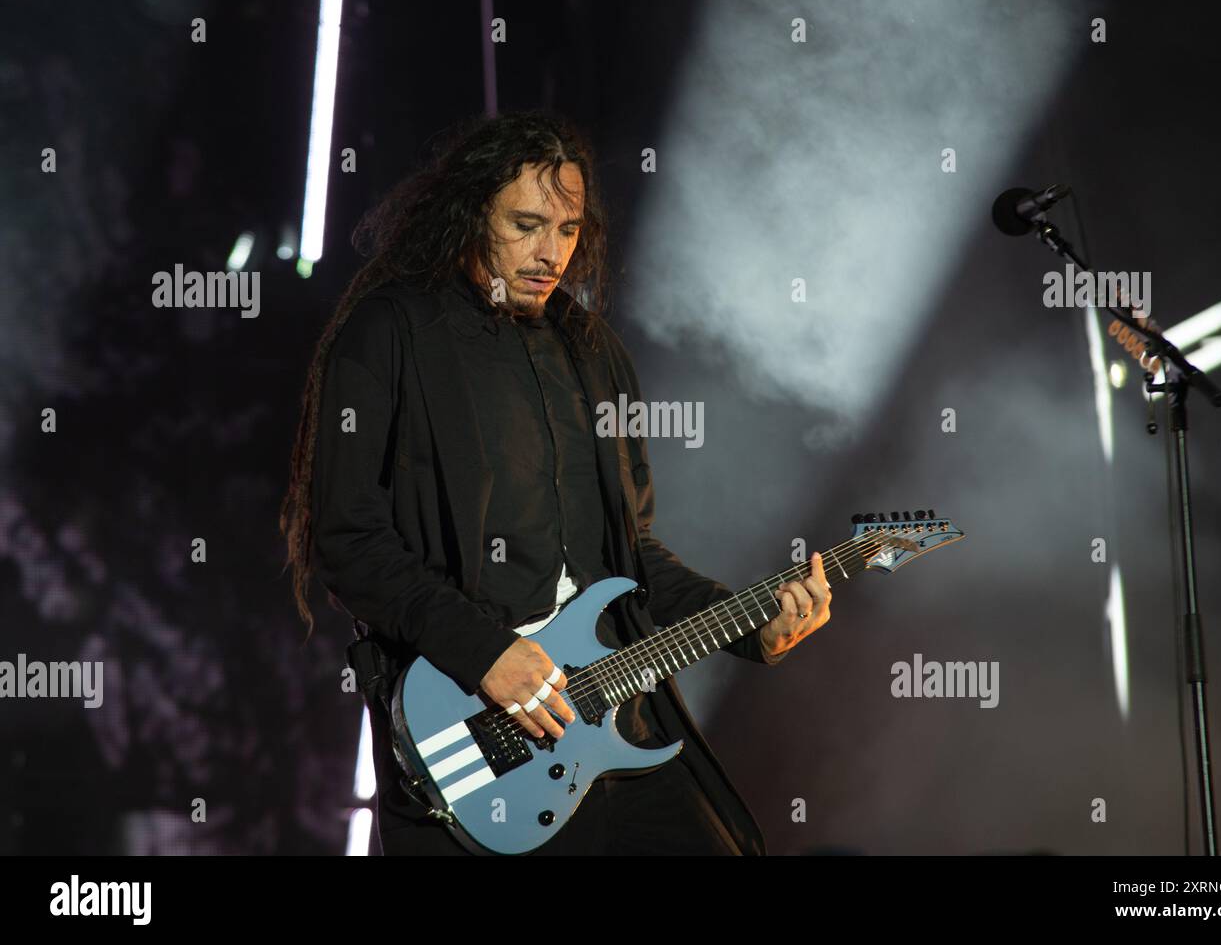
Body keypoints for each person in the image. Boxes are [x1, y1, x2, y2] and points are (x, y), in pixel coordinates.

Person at [280, 110, 832, 855]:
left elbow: (633, 558)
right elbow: (347, 539)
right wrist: (483, 651)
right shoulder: (390, 332)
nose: (551, 253)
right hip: (479, 726)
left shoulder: (590, 351)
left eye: (567, 230)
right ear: (472, 214)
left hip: (614, 717)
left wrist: (750, 622)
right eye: (527, 224)